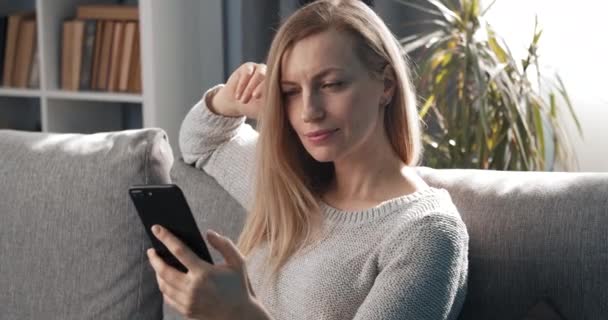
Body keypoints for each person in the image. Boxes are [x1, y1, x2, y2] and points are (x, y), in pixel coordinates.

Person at [146, 0, 469, 319]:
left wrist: (238, 314)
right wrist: (234, 95)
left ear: (386, 85)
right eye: (291, 91)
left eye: (330, 85)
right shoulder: (291, 182)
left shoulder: (426, 233)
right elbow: (201, 139)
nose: (309, 111)